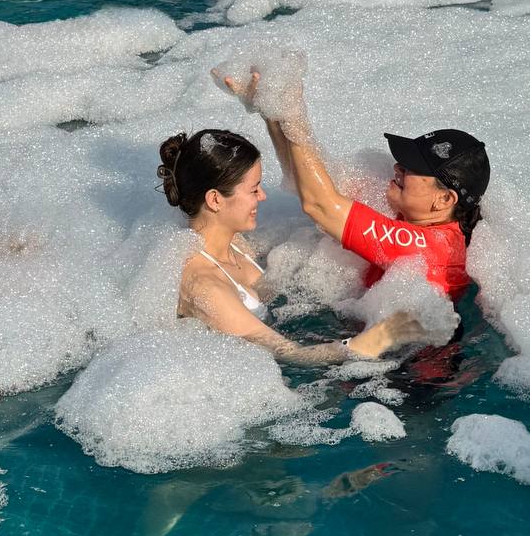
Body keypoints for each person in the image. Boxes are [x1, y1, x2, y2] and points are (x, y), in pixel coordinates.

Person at [216, 69, 490, 304]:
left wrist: (293, 114)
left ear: (444, 200)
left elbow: (319, 205)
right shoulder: (414, 217)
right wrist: (271, 112)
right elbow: (306, 185)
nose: (397, 168)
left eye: (411, 168)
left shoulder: (429, 247)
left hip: (406, 351)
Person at [159, 129, 426, 366]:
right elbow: (289, 354)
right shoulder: (205, 288)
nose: (263, 196)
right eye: (254, 190)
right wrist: (376, 339)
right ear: (215, 200)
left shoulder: (236, 244)